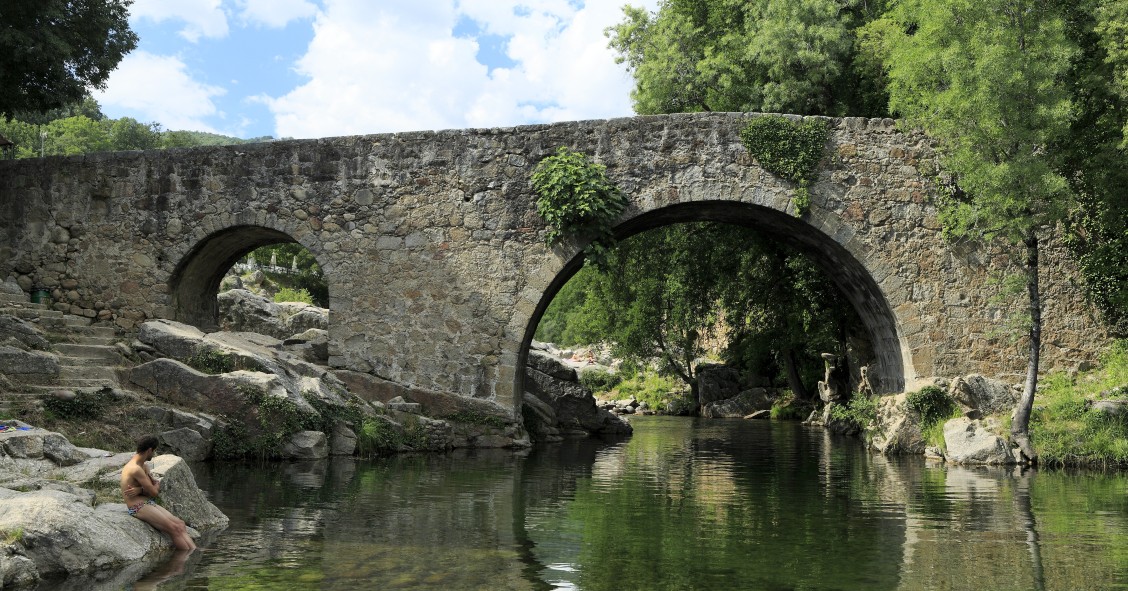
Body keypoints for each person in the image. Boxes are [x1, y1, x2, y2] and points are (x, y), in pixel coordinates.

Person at [121, 435, 196, 551]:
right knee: (173, 528)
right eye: (154, 451)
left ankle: (194, 550)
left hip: (147, 503)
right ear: (150, 450)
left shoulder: (144, 466)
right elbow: (155, 491)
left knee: (180, 524)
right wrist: (147, 489)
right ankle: (185, 559)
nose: (154, 454)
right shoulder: (135, 469)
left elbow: (152, 489)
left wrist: (141, 490)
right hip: (137, 507)